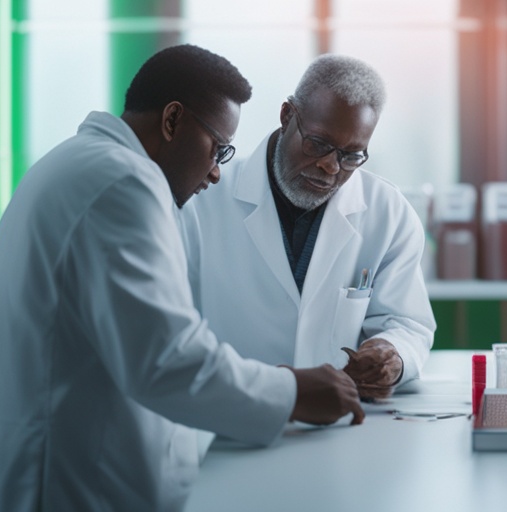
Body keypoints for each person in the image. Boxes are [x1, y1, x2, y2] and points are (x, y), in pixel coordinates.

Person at [0, 45, 363, 512]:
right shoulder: (121, 183)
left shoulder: (81, 163)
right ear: (173, 120)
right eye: (218, 149)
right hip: (49, 483)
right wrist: (293, 391)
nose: (217, 172)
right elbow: (165, 360)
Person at [180, 54, 435, 400]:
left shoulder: (387, 212)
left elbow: (408, 324)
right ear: (287, 116)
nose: (331, 167)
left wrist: (392, 354)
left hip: (340, 424)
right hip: (232, 417)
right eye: (318, 143)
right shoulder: (202, 198)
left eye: (351, 155)